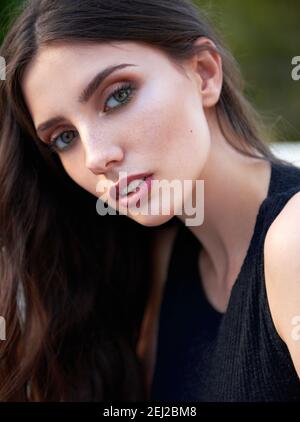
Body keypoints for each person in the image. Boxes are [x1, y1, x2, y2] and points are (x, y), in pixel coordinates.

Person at [0, 0, 300, 402]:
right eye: (64, 137)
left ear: (204, 74)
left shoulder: (292, 241)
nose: (94, 157)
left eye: (118, 96)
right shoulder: (163, 257)